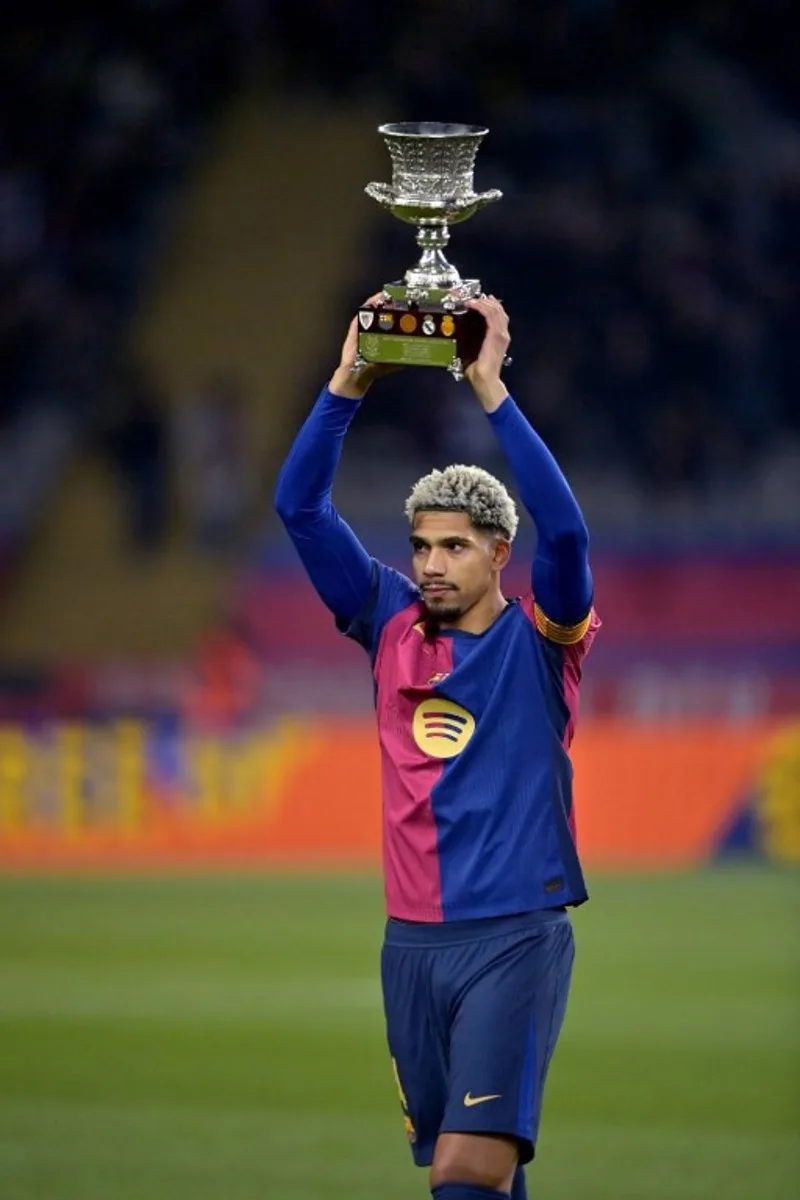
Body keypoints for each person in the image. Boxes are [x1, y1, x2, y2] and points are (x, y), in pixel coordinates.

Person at [274, 295, 599, 1200]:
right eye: (420, 545)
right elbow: (298, 506)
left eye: (455, 546)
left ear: (499, 554)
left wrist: (489, 387)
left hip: (512, 937)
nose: (430, 563)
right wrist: (348, 381)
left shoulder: (546, 643)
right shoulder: (387, 625)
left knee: (467, 1170)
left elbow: (567, 533)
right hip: (410, 946)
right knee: (475, 1178)